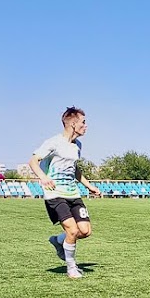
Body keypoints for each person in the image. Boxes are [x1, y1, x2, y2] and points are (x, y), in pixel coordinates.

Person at [28, 107, 102, 279]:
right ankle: (72, 268)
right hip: (55, 193)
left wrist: (89, 186)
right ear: (73, 123)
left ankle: (58, 240)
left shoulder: (78, 145)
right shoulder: (53, 142)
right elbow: (33, 161)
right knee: (72, 230)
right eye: (83, 122)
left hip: (73, 193)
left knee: (85, 231)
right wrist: (43, 177)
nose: (86, 126)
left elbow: (75, 170)